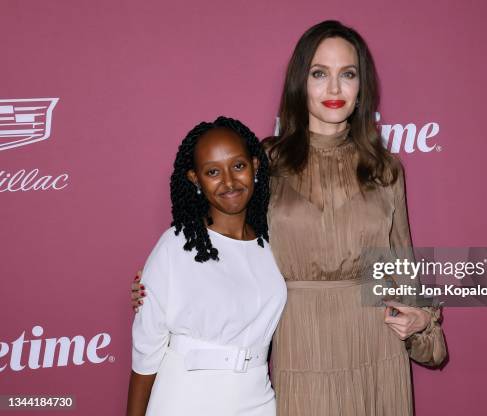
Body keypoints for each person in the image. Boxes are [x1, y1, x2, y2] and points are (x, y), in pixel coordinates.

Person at [132, 21, 446, 415]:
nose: (334, 89)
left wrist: (421, 322)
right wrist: (159, 287)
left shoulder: (385, 168)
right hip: (302, 344)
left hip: (375, 344)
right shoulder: (269, 163)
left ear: (361, 86)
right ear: (301, 82)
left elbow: (399, 264)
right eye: (320, 74)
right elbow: (226, 239)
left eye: (347, 75)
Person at [127, 117, 287, 416]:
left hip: (258, 401)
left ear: (255, 165)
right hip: (185, 399)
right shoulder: (176, 246)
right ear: (195, 179)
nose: (228, 182)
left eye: (238, 166)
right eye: (213, 172)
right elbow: (146, 355)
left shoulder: (273, 245)